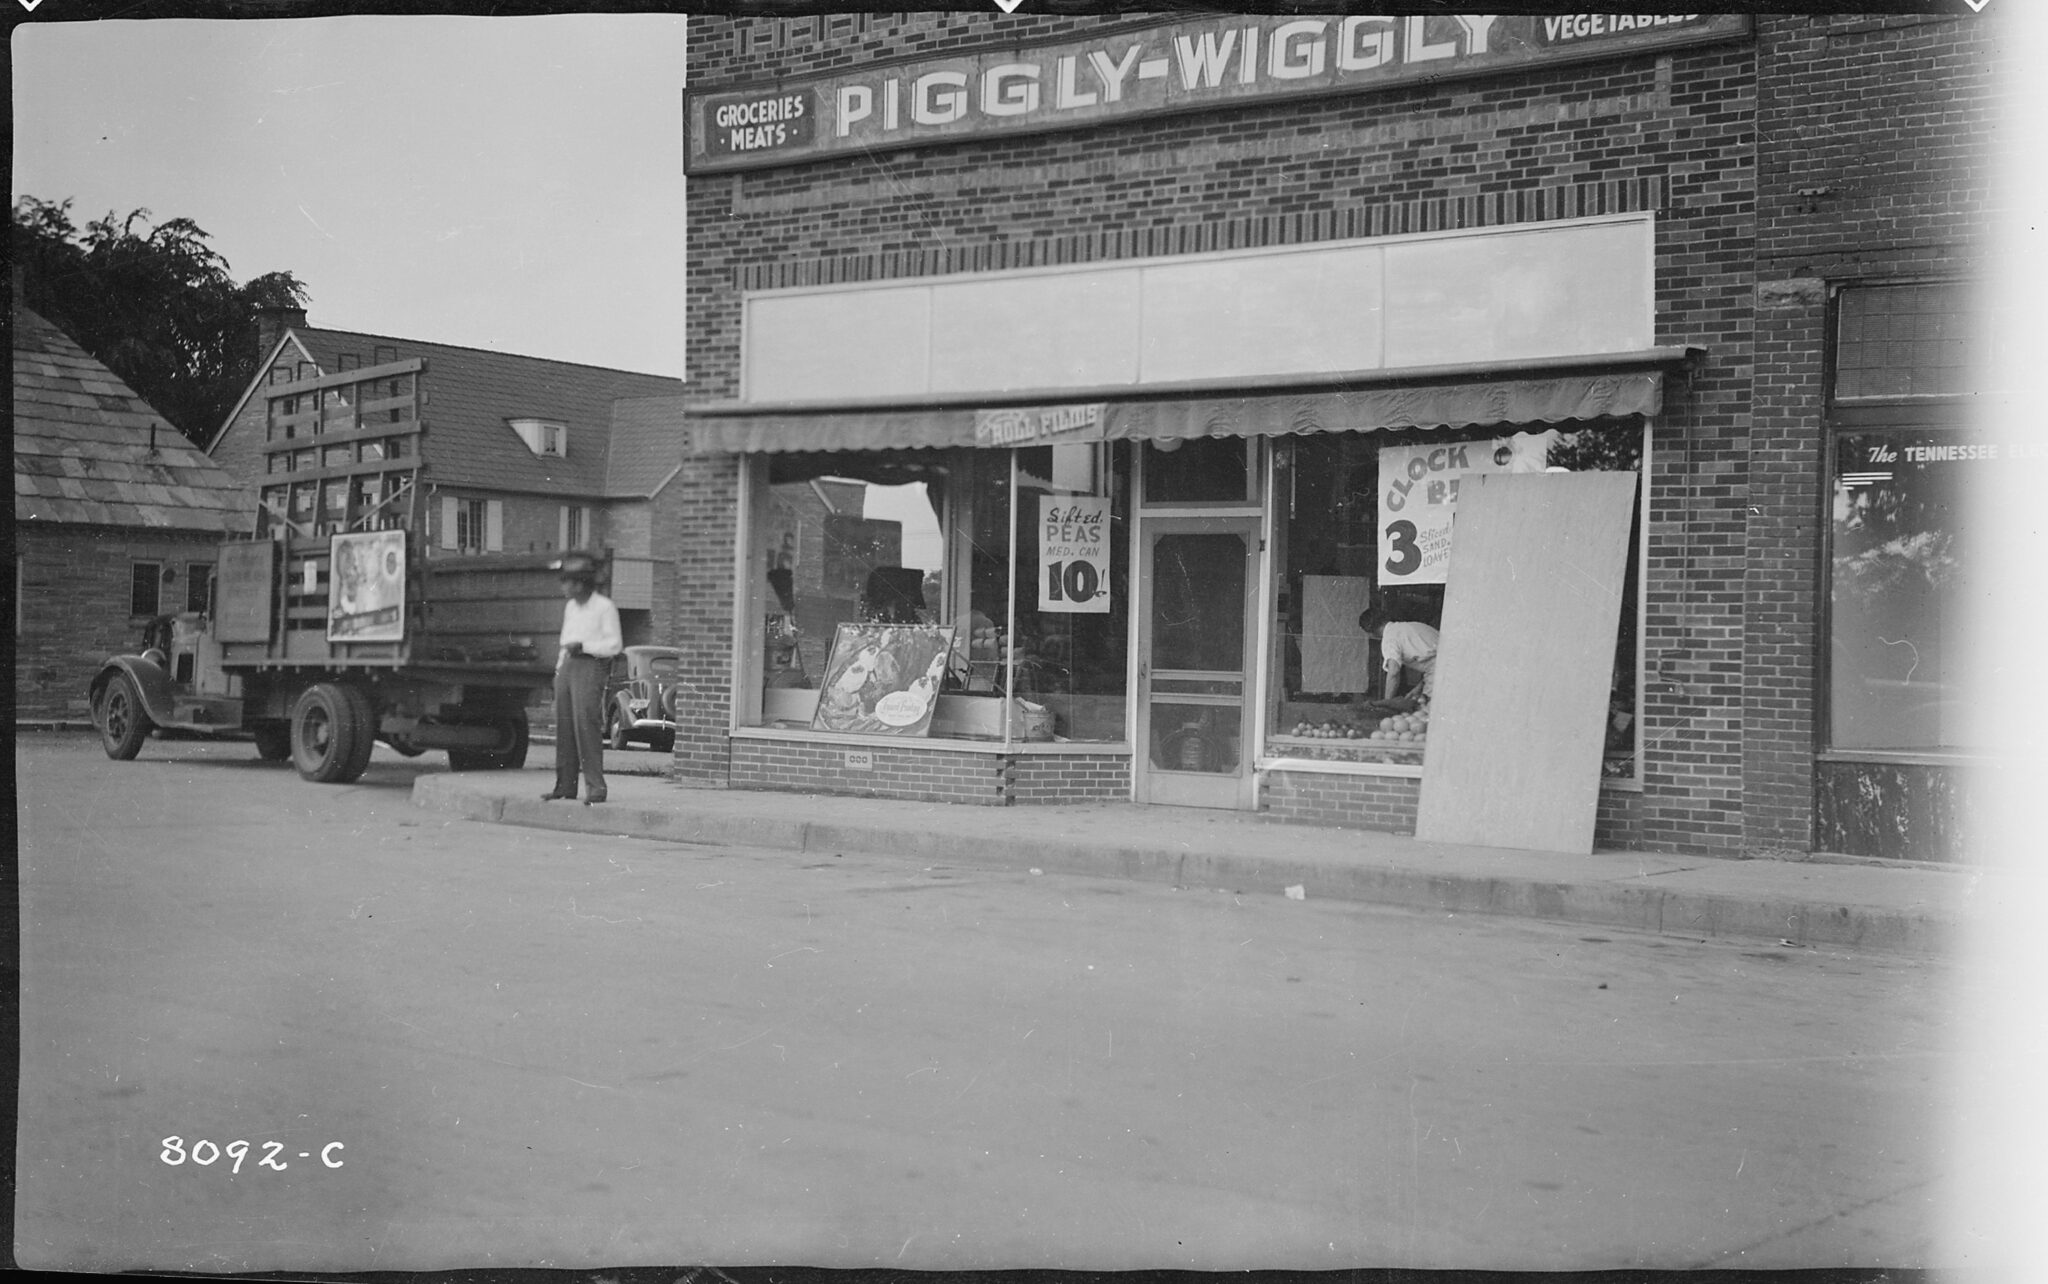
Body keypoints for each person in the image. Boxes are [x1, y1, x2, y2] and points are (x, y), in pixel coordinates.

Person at [542, 551, 623, 805]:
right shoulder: (570, 608)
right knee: (564, 727)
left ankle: (596, 788)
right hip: (568, 665)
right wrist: (558, 673)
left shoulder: (604, 607)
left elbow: (614, 645)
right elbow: (564, 642)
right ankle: (564, 786)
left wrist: (585, 646)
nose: (564, 586)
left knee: (585, 725)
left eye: (567, 581)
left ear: (580, 583)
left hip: (591, 665)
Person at [1360, 607, 1439, 706]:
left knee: (1429, 711)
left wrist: (1387, 703)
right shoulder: (1408, 626)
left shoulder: (1389, 638)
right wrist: (1418, 688)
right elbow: (1432, 660)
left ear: (1370, 631)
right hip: (1450, 663)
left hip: (1441, 671)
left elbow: (1394, 672)